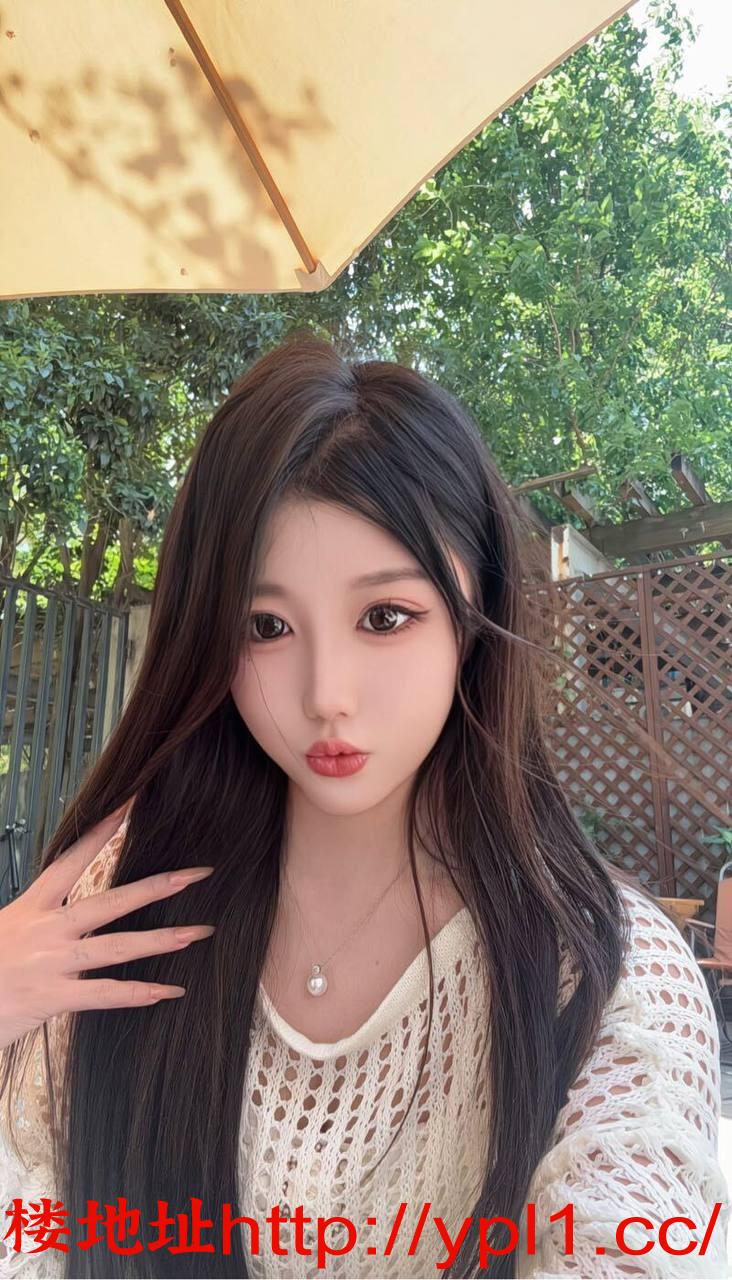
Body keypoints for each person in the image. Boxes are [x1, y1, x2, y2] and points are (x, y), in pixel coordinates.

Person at [0, 332, 728, 1280]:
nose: (325, 696)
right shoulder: (122, 904)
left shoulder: (604, 973)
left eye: (385, 617)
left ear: (476, 615)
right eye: (265, 626)